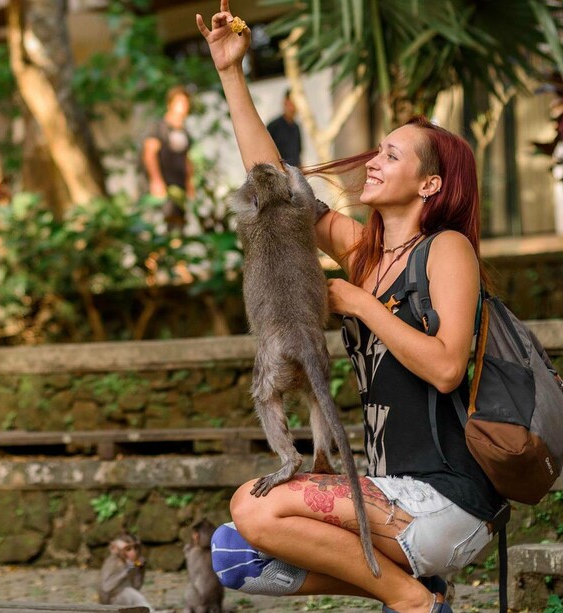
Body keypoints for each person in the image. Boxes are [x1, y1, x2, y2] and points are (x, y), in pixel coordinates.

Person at [196, 3, 506, 613]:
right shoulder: (364, 253)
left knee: (255, 507)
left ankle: (415, 604)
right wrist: (231, 72)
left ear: (430, 185)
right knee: (235, 553)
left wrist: (361, 303)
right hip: (389, 491)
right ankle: (422, 591)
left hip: (448, 499)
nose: (372, 162)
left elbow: (447, 367)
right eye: (377, 151)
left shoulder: (446, 249)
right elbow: (269, 178)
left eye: (391, 155)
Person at [142, 84, 196, 232]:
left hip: (179, 186)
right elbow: (149, 154)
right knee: (164, 225)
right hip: (164, 186)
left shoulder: (184, 131)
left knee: (178, 225)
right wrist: (156, 180)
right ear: (169, 104)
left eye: (185, 102)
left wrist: (189, 183)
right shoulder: (159, 127)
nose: (183, 106)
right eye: (179, 102)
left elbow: (186, 158)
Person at [266, 89, 302, 167]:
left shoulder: (296, 127)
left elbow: (298, 154)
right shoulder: (273, 126)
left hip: (295, 171)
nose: (294, 106)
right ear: (285, 102)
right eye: (292, 102)